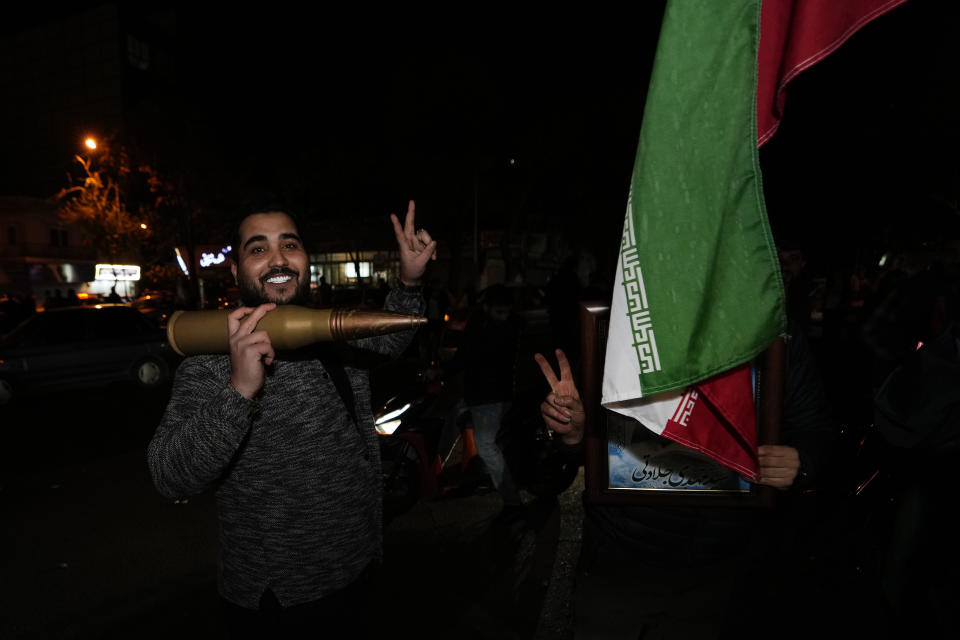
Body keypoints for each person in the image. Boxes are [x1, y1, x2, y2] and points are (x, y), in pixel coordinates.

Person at [147, 200, 436, 637]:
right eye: (258, 249)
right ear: (236, 271)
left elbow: (389, 343)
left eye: (290, 244)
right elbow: (169, 474)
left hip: (357, 567)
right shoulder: (209, 363)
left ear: (306, 261)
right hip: (280, 600)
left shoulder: (327, 335)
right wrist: (240, 390)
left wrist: (409, 280)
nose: (279, 258)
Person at [535, 319, 835, 639]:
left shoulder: (773, 324)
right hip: (620, 555)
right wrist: (574, 435)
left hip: (719, 564)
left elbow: (815, 428)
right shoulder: (627, 315)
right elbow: (592, 444)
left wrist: (800, 462)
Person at [441, 284, 524, 513]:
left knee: (486, 445)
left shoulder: (507, 327)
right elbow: (465, 355)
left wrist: (445, 370)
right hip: (479, 392)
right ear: (487, 308)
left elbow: (469, 356)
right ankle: (432, 469)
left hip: (492, 397)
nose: (503, 317)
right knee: (451, 418)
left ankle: (512, 502)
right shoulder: (481, 325)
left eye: (506, 312)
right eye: (499, 312)